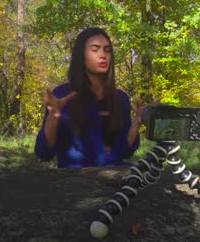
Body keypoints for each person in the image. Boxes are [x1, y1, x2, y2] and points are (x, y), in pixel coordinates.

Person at [34, 27, 142, 168]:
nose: (103, 55)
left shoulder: (120, 98)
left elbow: (124, 152)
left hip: (115, 177)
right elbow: (44, 154)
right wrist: (52, 118)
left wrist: (137, 123)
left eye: (107, 50)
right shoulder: (63, 94)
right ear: (81, 55)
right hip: (75, 182)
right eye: (95, 49)